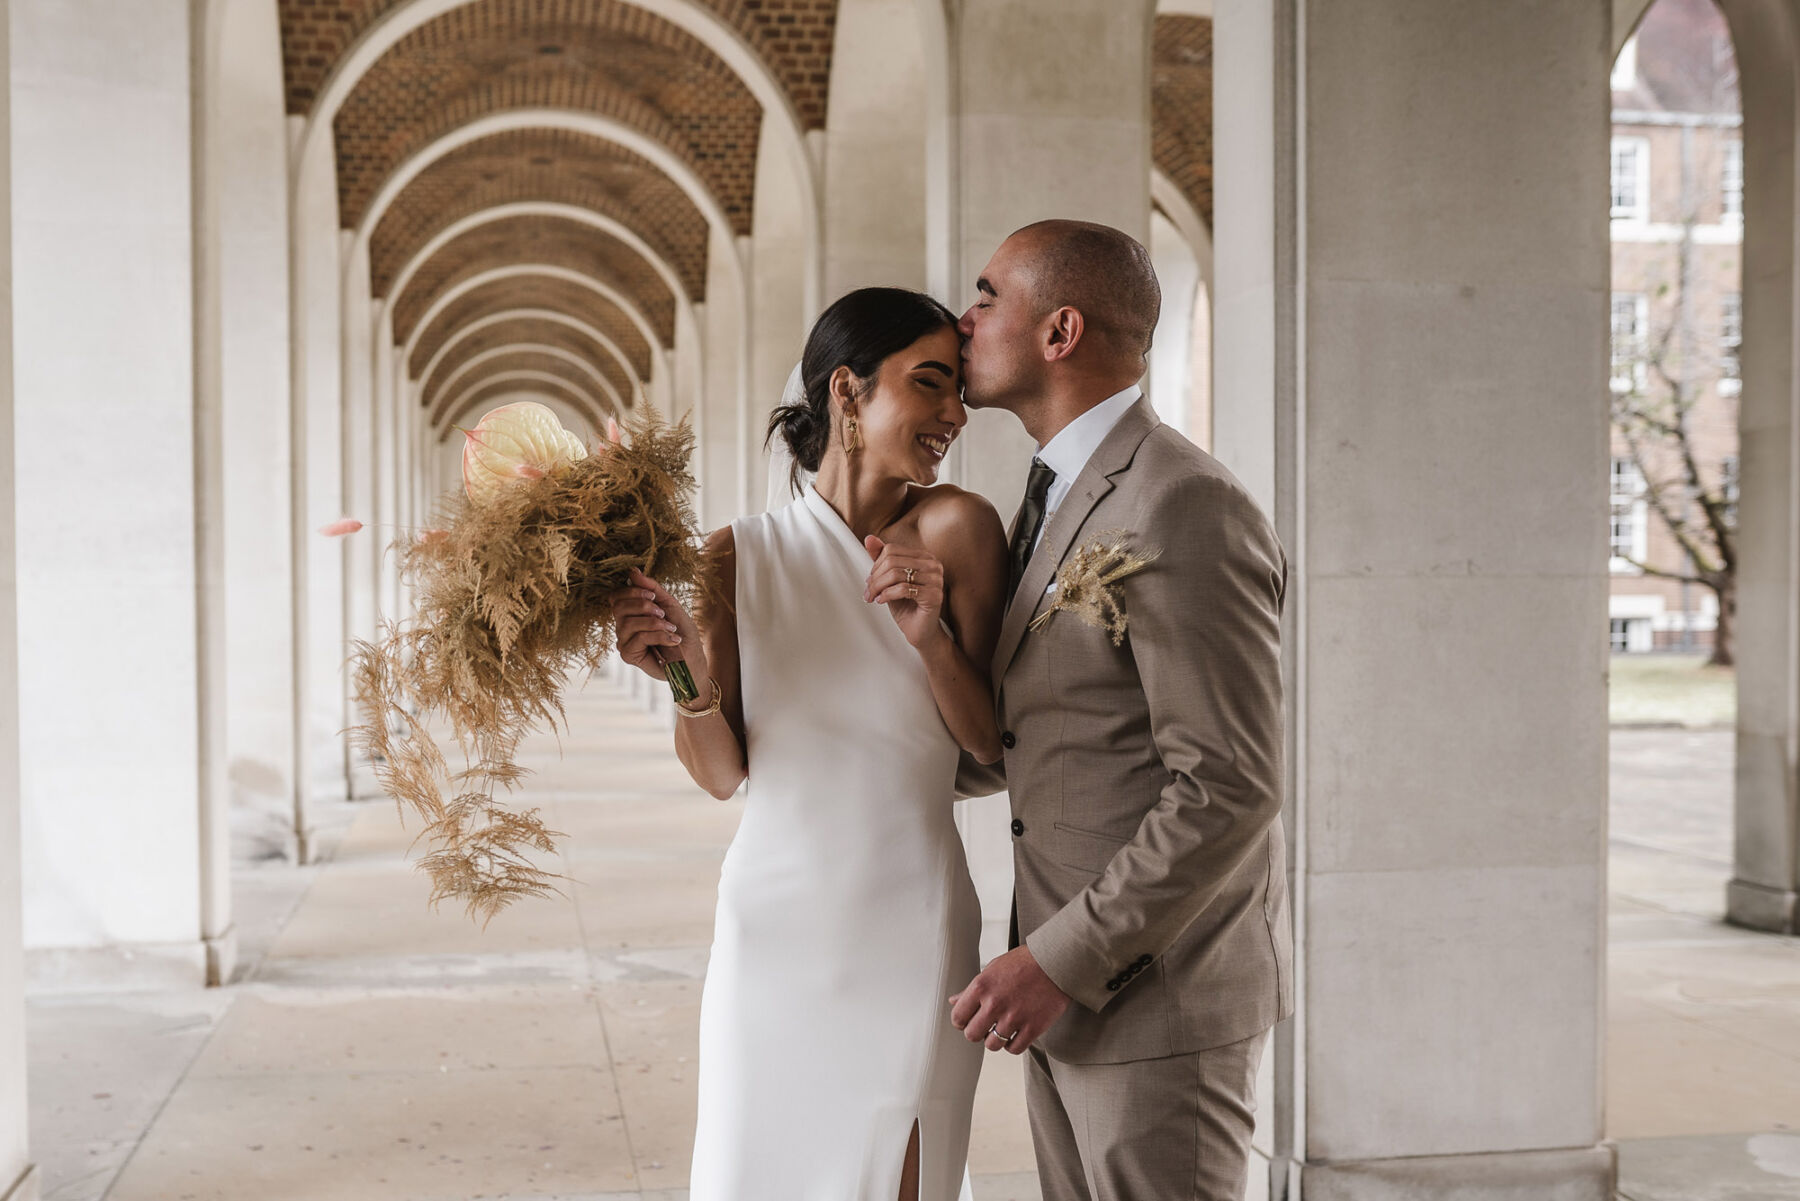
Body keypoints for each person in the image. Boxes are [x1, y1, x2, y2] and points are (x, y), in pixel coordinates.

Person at [610, 286, 1010, 1201]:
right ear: (847, 391)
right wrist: (679, 667)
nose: (954, 413)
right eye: (930, 384)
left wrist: (929, 637)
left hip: (909, 915)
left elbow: (991, 743)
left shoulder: (960, 529)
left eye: (957, 390)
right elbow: (723, 773)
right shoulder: (733, 556)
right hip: (772, 929)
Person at [947, 220, 1293, 1201]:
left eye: (985, 297)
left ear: (1059, 331)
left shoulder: (1183, 503)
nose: (961, 321)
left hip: (1156, 995)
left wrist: (1057, 960)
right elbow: (1038, 733)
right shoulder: (1053, 492)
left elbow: (1228, 782)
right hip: (1065, 994)